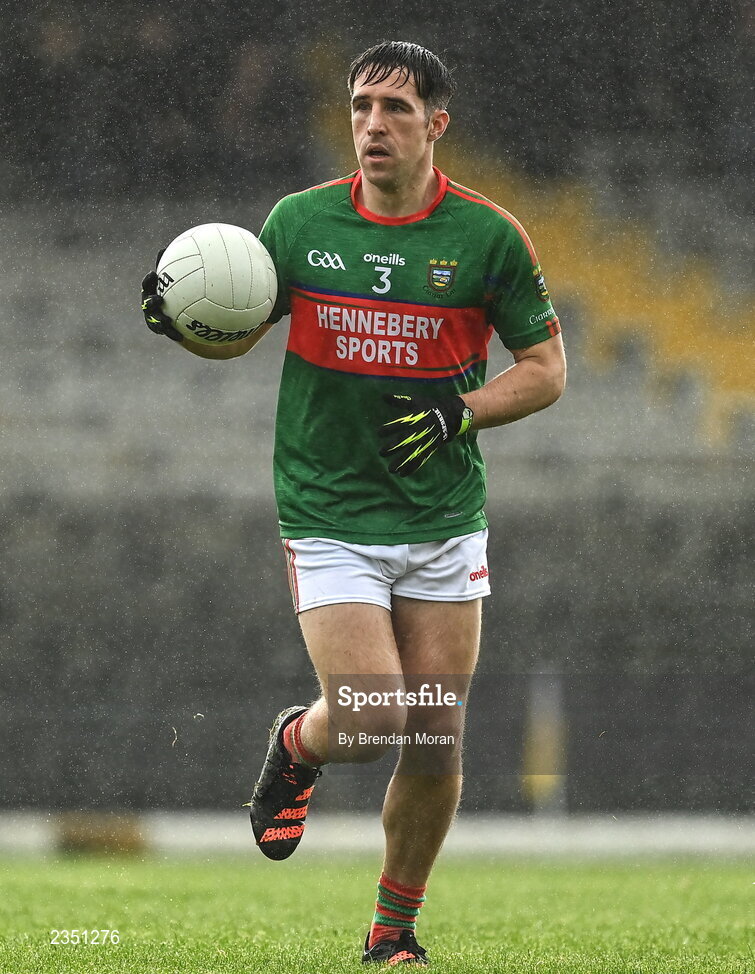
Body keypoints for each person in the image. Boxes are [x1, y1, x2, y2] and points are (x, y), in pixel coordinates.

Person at [141, 40, 566, 967]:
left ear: (435, 125)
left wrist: (461, 411)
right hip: (330, 512)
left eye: (396, 109)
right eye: (362, 106)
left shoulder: (487, 238)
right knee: (374, 718)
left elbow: (544, 372)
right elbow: (236, 331)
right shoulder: (296, 223)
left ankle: (393, 931)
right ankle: (298, 741)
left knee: (435, 734)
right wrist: (179, 319)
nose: (374, 124)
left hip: (443, 518)